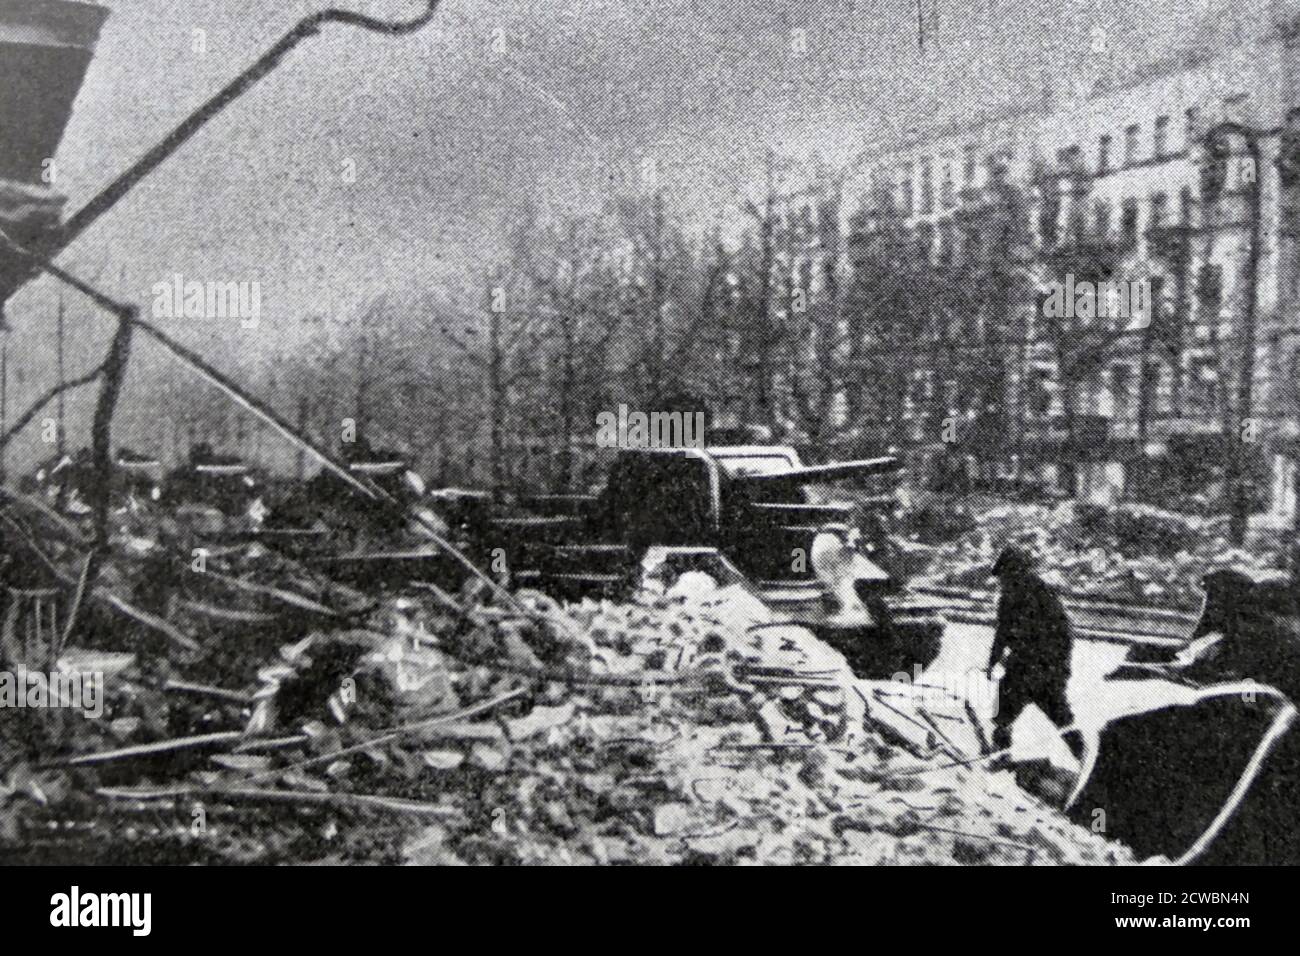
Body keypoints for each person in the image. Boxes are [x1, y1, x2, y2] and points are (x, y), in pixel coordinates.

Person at [987, 546, 1074, 750]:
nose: (1003, 583)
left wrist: (1057, 670)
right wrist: (993, 662)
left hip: (1040, 670)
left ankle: (1088, 760)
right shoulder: (1011, 599)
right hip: (1028, 669)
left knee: (1062, 720)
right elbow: (1002, 634)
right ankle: (1001, 757)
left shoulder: (1042, 597)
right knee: (1003, 719)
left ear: (1018, 572)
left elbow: (1063, 637)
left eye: (1006, 576)